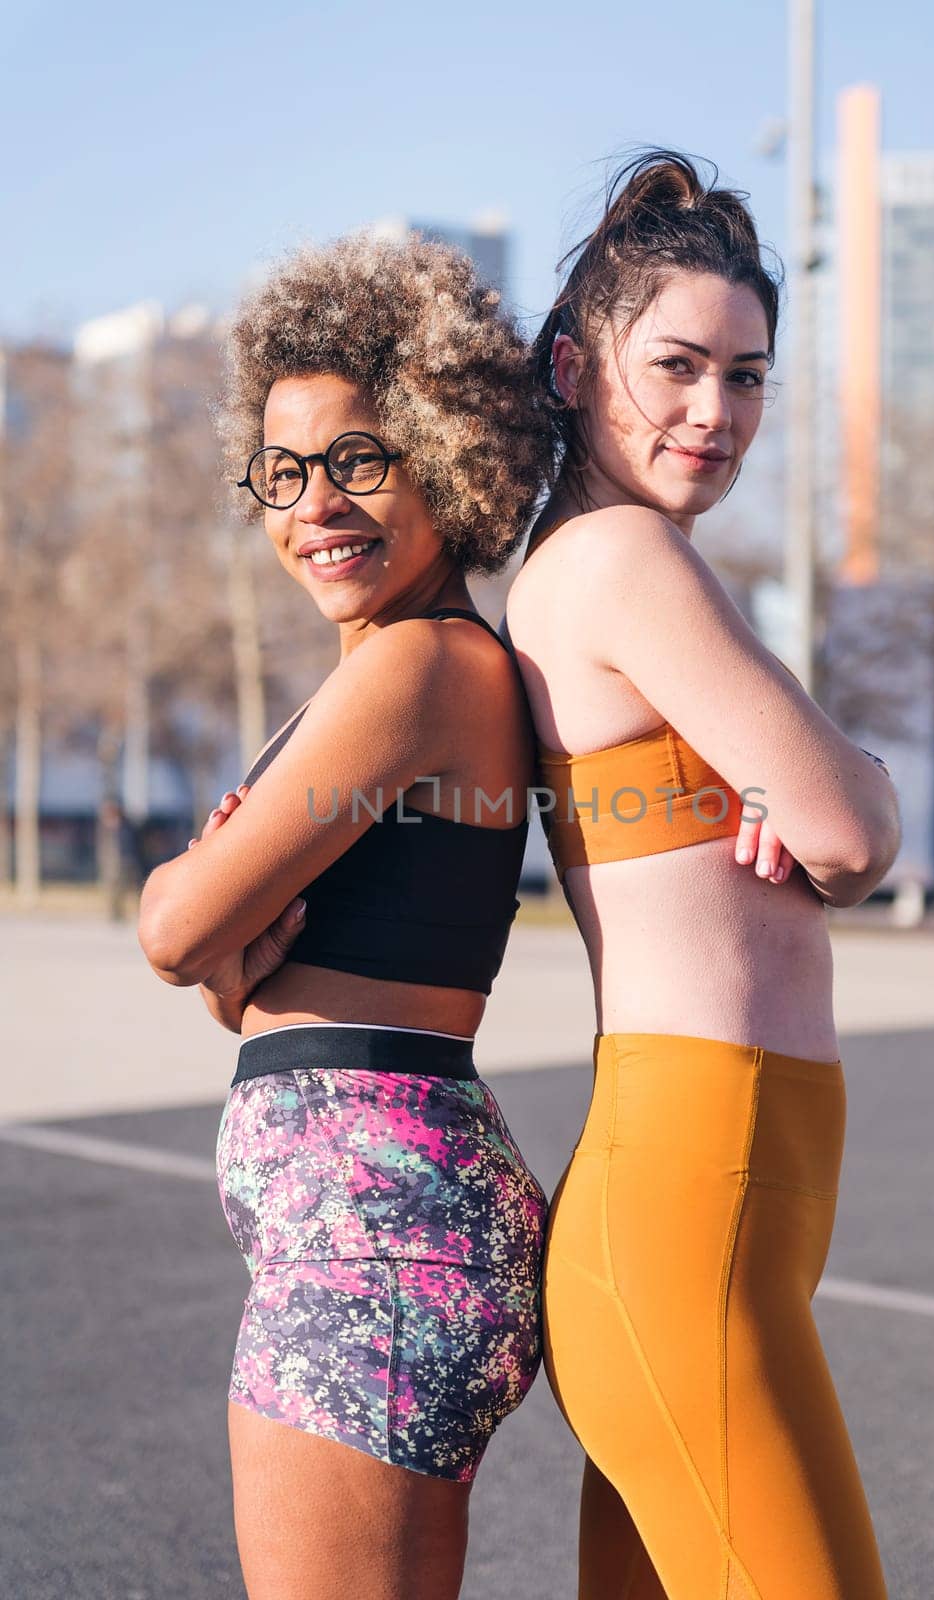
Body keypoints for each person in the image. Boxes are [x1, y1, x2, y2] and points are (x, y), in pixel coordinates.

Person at [504, 150, 901, 1600]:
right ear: (571, 367)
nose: (713, 412)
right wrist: (860, 785)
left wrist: (822, 786)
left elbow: (825, 815)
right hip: (691, 1209)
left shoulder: (616, 564)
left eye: (747, 378)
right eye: (674, 365)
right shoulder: (622, 561)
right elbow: (852, 835)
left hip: (715, 1206)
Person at [137, 231, 553, 1600]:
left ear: (449, 456)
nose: (318, 502)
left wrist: (180, 903)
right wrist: (219, 951)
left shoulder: (422, 666)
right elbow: (239, 985)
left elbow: (181, 935)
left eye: (361, 460)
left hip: (371, 1242)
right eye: (284, 469)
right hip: (388, 1226)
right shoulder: (403, 671)